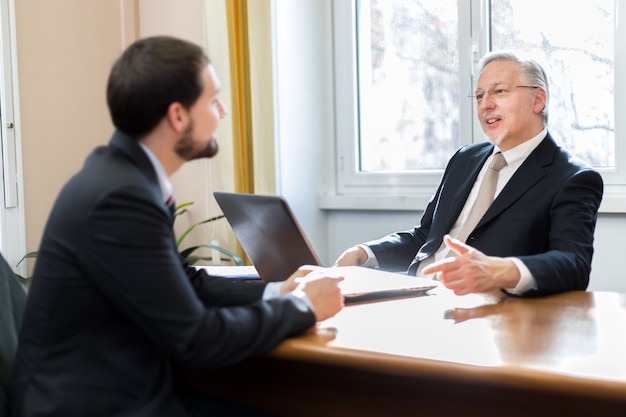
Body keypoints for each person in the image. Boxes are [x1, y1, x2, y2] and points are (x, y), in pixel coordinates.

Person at [10, 36, 344, 417]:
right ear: (178, 115)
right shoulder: (121, 198)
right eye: (213, 100)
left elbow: (184, 283)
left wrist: (276, 292)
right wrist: (301, 307)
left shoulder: (122, 176)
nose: (223, 112)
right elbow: (196, 338)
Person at [335, 50, 603, 297]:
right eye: (479, 96)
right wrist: (364, 254)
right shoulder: (465, 159)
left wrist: (501, 271)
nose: (485, 104)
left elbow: (573, 264)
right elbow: (425, 238)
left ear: (538, 99)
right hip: (416, 296)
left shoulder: (573, 177)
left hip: (485, 315)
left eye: (499, 91)